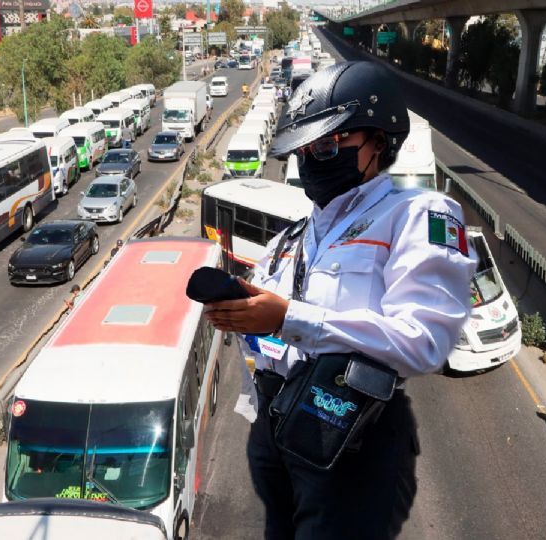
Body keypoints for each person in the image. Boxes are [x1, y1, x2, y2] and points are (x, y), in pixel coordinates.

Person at [203, 61, 476, 539]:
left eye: (328, 145)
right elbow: (275, 329)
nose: (312, 160)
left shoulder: (417, 215)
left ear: (379, 141)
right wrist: (243, 311)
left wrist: (290, 318)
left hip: (350, 432)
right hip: (280, 422)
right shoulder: (295, 234)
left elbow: (425, 340)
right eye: (304, 150)